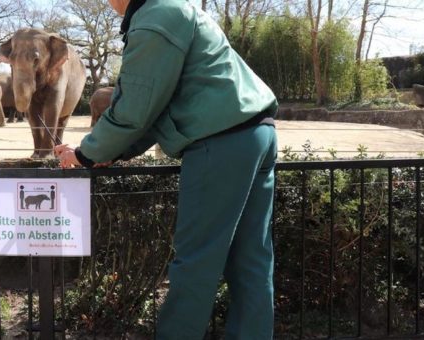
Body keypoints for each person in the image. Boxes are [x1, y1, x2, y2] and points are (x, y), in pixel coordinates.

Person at [54, 0, 278, 338]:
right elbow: (155, 110)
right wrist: (109, 153)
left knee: (196, 263)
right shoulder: (174, 9)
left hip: (218, 142)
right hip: (256, 133)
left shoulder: (153, 18)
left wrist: (85, 154)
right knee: (251, 260)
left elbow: (134, 110)